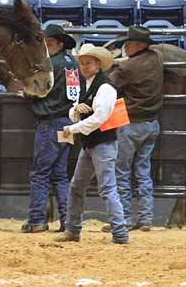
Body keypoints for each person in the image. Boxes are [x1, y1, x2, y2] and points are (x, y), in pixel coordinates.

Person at [56, 44, 130, 245]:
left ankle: (120, 233)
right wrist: (76, 112)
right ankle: (73, 230)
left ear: (98, 64)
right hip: (92, 144)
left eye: (88, 63)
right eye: (82, 63)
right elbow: (74, 111)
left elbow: (100, 118)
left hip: (102, 143)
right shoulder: (89, 84)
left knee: (106, 188)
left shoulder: (105, 87)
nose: (84, 67)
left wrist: (73, 128)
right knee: (78, 186)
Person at [103, 26, 164, 232]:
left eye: (128, 43)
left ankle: (125, 218)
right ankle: (146, 218)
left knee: (121, 171)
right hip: (151, 123)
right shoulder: (156, 58)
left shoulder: (129, 67)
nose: (125, 47)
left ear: (140, 45)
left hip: (130, 123)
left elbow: (110, 85)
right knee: (143, 171)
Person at [21, 25, 78, 234]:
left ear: (59, 44)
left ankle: (37, 220)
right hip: (69, 123)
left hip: (51, 121)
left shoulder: (50, 65)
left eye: (50, 43)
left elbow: (38, 90)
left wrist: (26, 94)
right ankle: (67, 220)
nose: (46, 47)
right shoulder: (74, 64)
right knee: (60, 174)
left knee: (40, 173)